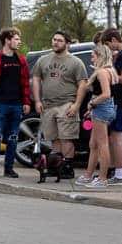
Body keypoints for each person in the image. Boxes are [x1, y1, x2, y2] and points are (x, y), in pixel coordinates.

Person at [31, 31, 88, 179]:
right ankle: (57, 166)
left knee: (66, 138)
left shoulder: (75, 62)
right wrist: (37, 100)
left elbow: (83, 84)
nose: (55, 42)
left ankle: (68, 168)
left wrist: (76, 105)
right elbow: (36, 79)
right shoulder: (43, 60)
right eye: (54, 39)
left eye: (59, 40)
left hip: (66, 104)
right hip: (48, 105)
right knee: (54, 138)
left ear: (67, 43)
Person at [0, 28, 31, 179]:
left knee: (13, 138)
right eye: (16, 39)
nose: (19, 42)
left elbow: (25, 83)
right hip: (0, 105)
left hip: (17, 105)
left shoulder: (21, 60)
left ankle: (9, 169)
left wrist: (26, 102)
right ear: (7, 40)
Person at [68, 44, 117, 189]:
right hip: (104, 108)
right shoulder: (111, 70)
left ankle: (102, 178)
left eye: (93, 56)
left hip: (102, 108)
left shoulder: (102, 72)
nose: (91, 59)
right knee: (93, 144)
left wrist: (92, 103)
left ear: (100, 56)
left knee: (102, 144)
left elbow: (106, 94)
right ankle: (88, 175)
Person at [99, 29, 122, 185]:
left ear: (113, 40)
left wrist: (109, 75)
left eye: (107, 44)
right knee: (115, 137)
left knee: (116, 137)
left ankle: (121, 174)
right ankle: (119, 172)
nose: (108, 48)